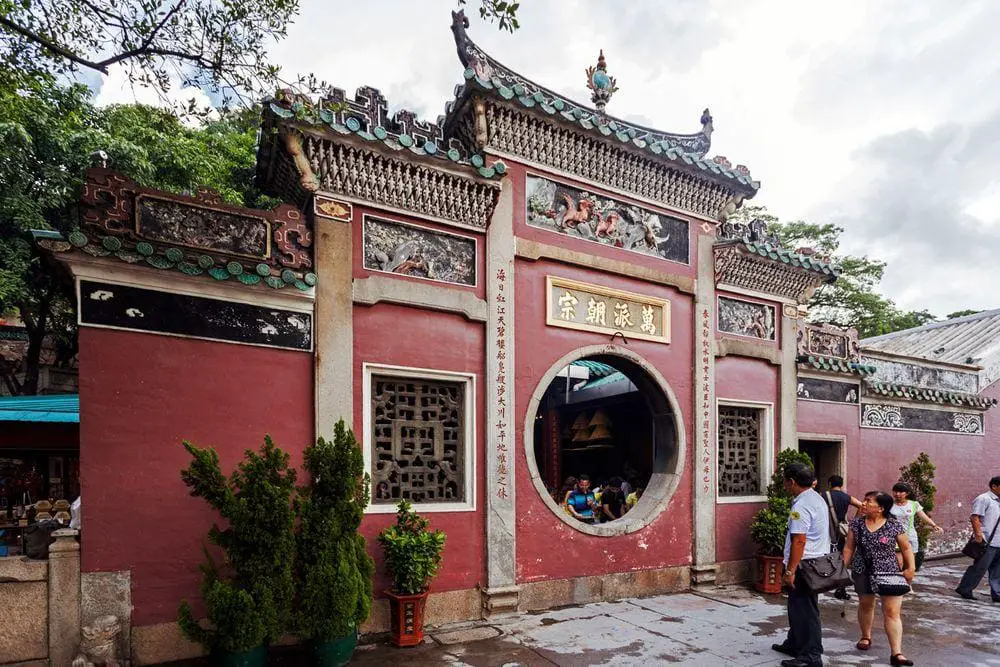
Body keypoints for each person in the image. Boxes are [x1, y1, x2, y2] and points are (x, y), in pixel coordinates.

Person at [842, 491, 915, 666]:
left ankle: (896, 653)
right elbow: (849, 548)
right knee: (866, 605)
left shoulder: (893, 525)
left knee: (891, 612)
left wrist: (910, 568)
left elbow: (906, 548)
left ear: (881, 508)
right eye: (864, 499)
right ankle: (866, 636)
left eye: (869, 501)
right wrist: (842, 569)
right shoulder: (857, 524)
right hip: (862, 570)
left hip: (889, 571)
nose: (864, 503)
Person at [772, 462, 830, 667]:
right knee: (797, 605)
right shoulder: (816, 497)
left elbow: (799, 540)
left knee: (806, 609)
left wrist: (790, 570)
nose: (785, 486)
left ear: (792, 482)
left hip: (805, 564)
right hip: (815, 560)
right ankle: (795, 643)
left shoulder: (801, 505)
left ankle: (811, 655)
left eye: (786, 482)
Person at [955, 475, 1000, 602]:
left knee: (997, 570)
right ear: (994, 486)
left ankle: (997, 594)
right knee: (980, 567)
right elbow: (975, 517)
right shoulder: (984, 499)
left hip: (999, 540)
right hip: (987, 541)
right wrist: (979, 536)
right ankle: (965, 589)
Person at [825, 475, 864, 599]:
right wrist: (854, 522)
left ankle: (824, 580)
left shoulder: (823, 495)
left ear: (830, 484)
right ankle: (840, 586)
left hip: (826, 529)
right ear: (841, 485)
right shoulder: (846, 497)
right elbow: (862, 506)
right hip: (840, 531)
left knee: (825, 555)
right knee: (842, 557)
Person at [890, 482, 943, 568]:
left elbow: (923, 516)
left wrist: (934, 525)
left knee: (910, 564)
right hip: (895, 536)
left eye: (900, 492)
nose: (897, 494)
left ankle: (906, 580)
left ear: (907, 493)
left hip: (910, 536)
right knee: (899, 563)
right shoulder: (889, 505)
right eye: (895, 491)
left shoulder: (914, 504)